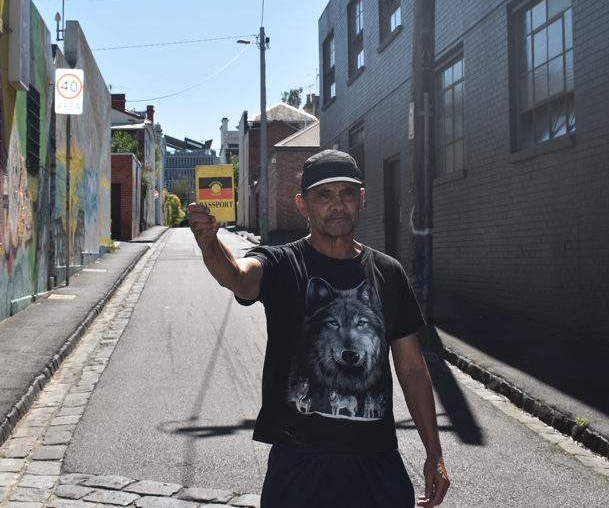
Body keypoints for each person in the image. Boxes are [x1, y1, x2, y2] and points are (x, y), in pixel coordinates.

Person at [188, 150, 450, 508]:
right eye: (324, 195)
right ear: (303, 204)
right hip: (300, 462)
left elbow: (413, 370)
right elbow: (238, 277)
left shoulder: (388, 273)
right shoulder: (282, 263)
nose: (338, 204)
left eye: (347, 193)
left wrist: (434, 452)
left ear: (362, 199)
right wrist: (210, 245)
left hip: (377, 462)